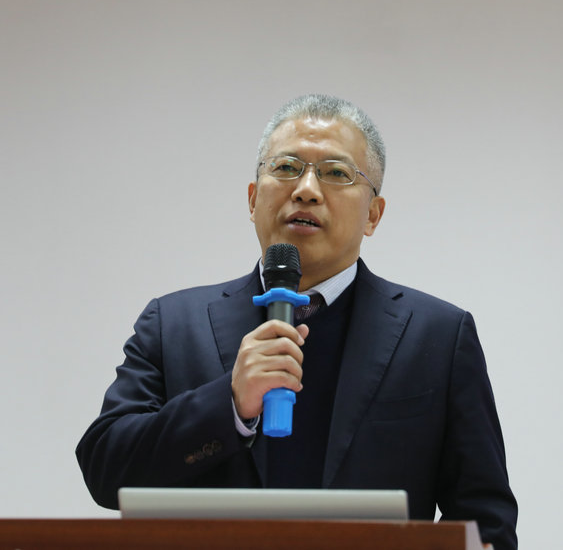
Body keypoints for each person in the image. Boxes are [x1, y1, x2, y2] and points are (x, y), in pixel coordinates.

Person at [76, 94, 518, 549]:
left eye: (336, 173)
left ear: (373, 214)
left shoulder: (438, 336)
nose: (306, 189)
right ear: (253, 199)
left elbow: (486, 518)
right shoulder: (173, 323)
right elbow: (106, 470)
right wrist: (228, 404)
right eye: (286, 167)